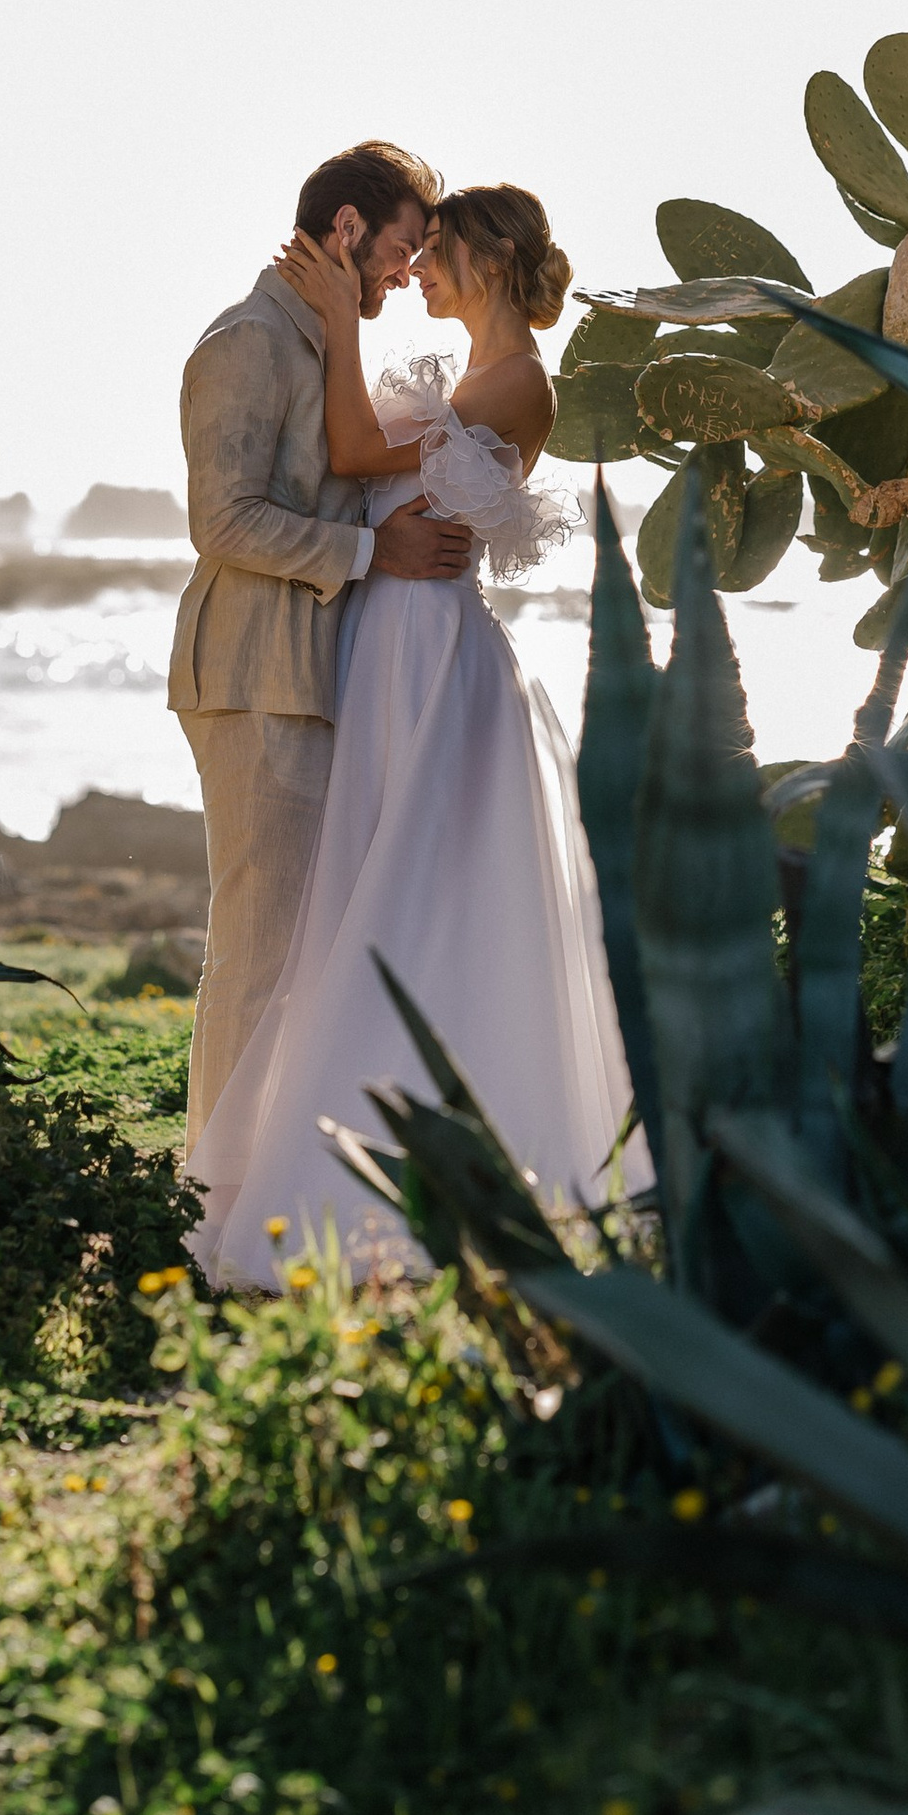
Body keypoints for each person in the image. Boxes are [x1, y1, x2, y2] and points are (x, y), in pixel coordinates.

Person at [187, 182, 639, 1286]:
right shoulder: (471, 373)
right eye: (413, 248)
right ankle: (300, 1156)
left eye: (436, 252)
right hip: (385, 641)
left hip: (425, 648)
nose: (419, 270)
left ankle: (365, 1172)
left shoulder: (516, 382)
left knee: (405, 897)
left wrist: (340, 320)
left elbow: (349, 447)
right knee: (361, 895)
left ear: (490, 260)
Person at [172, 142, 471, 1148]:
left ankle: (263, 1172)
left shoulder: (317, 345)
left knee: (298, 954)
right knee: (257, 956)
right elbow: (223, 521)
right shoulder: (249, 341)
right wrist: (375, 551)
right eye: (400, 247)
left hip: (308, 679)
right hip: (254, 678)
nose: (406, 272)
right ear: (347, 229)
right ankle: (212, 1195)